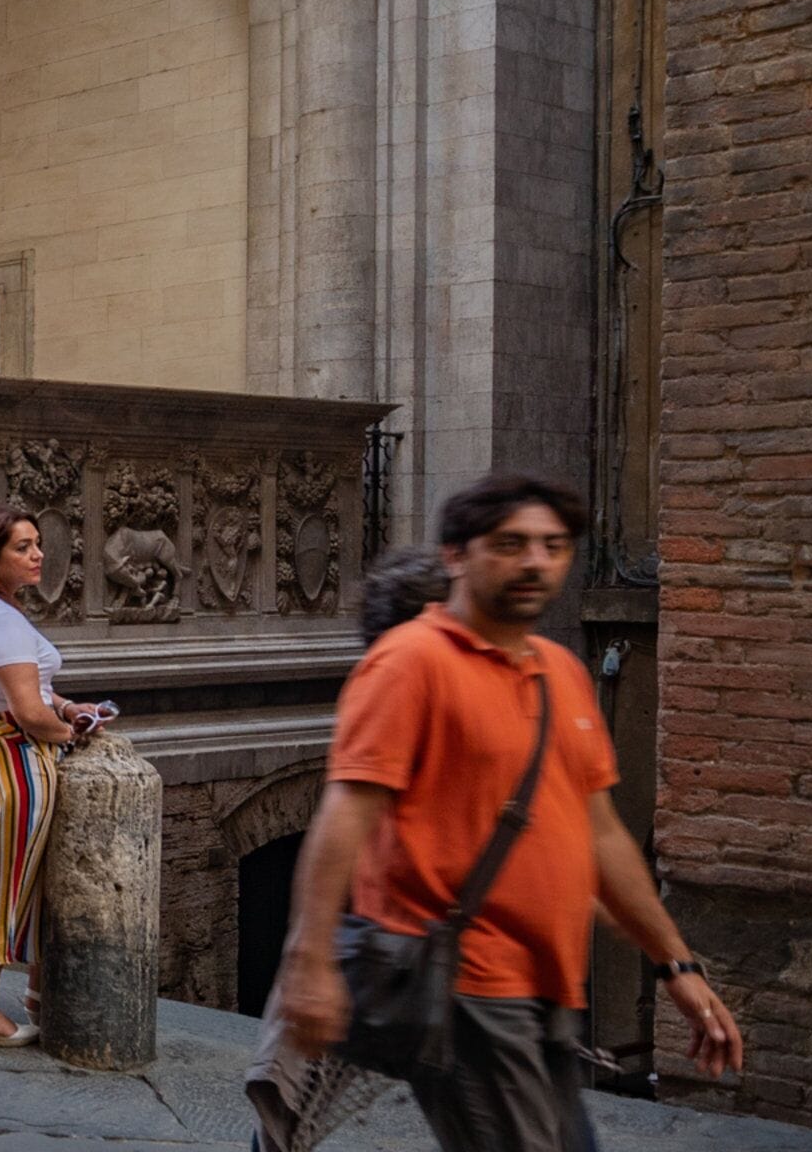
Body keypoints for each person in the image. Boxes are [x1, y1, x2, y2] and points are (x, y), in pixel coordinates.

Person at [279, 475, 743, 1152]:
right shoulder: (409, 663)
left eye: (553, 546)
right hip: (464, 985)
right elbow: (344, 818)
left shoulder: (562, 670)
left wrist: (678, 968)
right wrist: (309, 961)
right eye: (511, 544)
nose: (535, 561)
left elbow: (601, 832)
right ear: (456, 556)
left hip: (549, 983)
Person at [0, 507, 113, 1048]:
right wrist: (78, 734)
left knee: (17, 876)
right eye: (23, 547)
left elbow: (26, 690)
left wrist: (64, 704)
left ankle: (34, 994)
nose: (38, 555)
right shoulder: (0, 620)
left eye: (37, 544)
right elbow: (28, 714)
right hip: (6, 761)